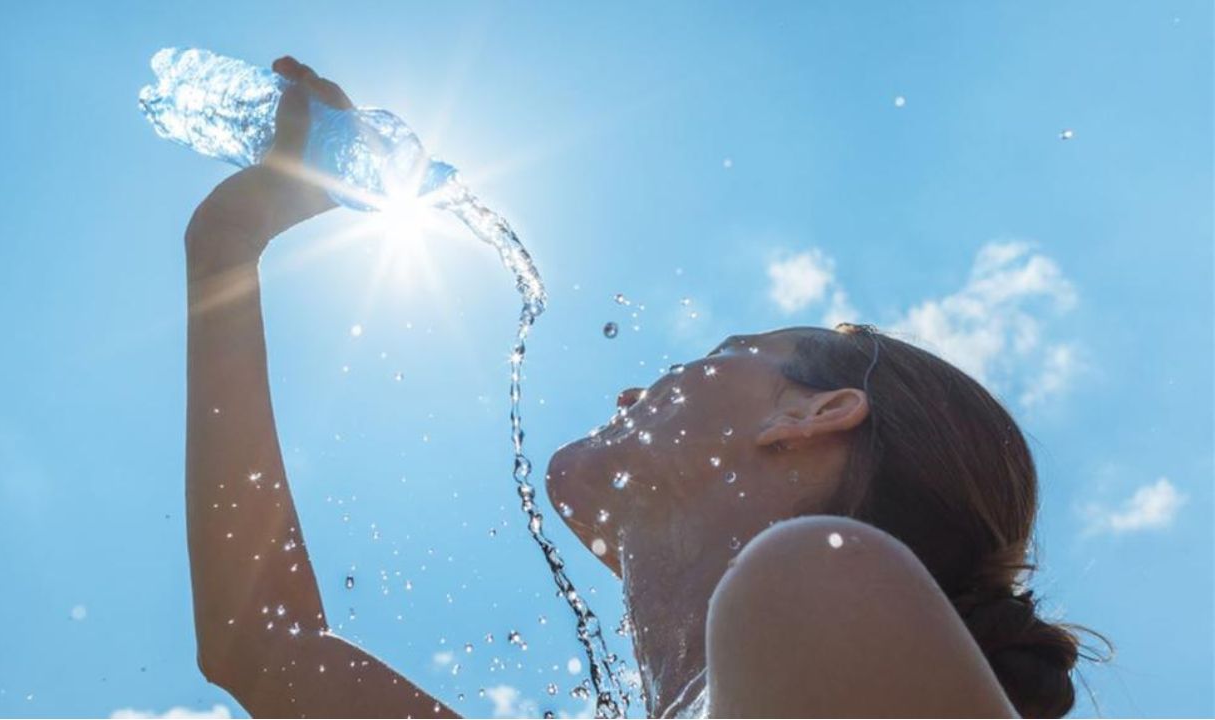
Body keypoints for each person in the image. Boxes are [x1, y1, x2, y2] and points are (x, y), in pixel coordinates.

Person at [182, 57, 1099, 719]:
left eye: (732, 348)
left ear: (814, 414)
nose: (633, 391)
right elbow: (263, 649)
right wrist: (225, 253)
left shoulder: (820, 575)